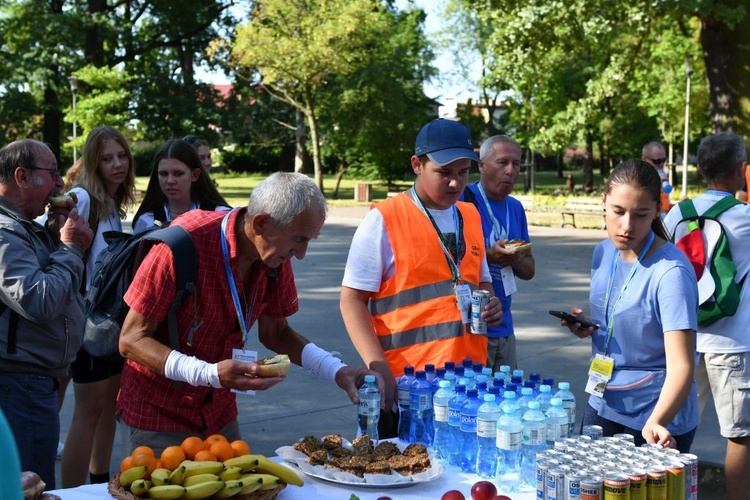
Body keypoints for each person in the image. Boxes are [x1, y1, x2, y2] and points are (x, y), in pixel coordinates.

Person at [117, 172, 380, 451]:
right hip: (159, 419)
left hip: (220, 416)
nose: (301, 253)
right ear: (261, 223)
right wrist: (208, 373)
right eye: (299, 239)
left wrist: (336, 370)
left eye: (309, 241)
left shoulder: (275, 256)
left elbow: (276, 332)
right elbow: (131, 339)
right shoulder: (184, 244)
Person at [340, 118, 502, 438]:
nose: (456, 184)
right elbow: (351, 300)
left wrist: (490, 301)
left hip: (466, 389)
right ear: (417, 164)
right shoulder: (383, 219)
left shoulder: (470, 215)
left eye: (463, 173)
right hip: (406, 388)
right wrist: (376, 365)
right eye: (444, 173)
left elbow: (481, 281)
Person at [559, 158, 698, 452]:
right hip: (605, 397)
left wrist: (658, 420)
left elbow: (683, 365)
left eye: (640, 215)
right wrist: (589, 327)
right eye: (618, 212)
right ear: (603, 202)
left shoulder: (671, 272)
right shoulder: (603, 252)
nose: (626, 226)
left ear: (657, 211)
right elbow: (623, 318)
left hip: (655, 414)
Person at [0, 139, 93, 489]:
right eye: (51, 174)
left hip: (34, 381)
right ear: (22, 176)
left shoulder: (24, 226)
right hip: (20, 385)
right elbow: (39, 301)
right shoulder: (4, 233)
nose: (59, 184)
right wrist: (71, 248)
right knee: (32, 487)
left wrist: (56, 240)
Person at [663, 132, 750, 500]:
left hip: (683, 337)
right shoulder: (745, 218)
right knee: (740, 434)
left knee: (674, 428)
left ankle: (669, 492)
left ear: (699, 170)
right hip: (733, 341)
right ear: (740, 170)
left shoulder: (675, 217)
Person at [55, 126, 137, 487]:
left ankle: (99, 482)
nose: (117, 164)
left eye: (121, 156)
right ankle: (72, 494)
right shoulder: (84, 198)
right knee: (87, 413)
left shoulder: (109, 201)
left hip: (111, 320)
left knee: (108, 409)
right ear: (93, 162)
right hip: (86, 321)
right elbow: (52, 238)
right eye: (107, 158)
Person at [462, 135, 535, 372]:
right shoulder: (464, 201)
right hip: (471, 328)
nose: (510, 171)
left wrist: (515, 259)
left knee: (506, 403)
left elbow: (530, 270)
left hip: (504, 326)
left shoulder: (515, 207)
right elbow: (448, 261)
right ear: (481, 165)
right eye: (502, 162)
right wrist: (489, 256)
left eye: (517, 164)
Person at [132, 139, 230, 233]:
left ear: (195, 175)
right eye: (164, 174)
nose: (170, 181)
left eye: (178, 173)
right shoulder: (147, 221)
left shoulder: (220, 218)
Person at [641, 141, 673, 217]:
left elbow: (664, 207)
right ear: (645, 159)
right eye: (657, 161)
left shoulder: (662, 179)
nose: (662, 164)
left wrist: (680, 206)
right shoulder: (640, 181)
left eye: (664, 160)